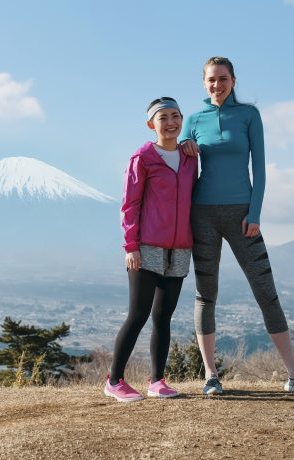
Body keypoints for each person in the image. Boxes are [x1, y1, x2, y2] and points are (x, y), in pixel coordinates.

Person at [179, 57, 294, 396]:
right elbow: (177, 154)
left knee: (265, 292)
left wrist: (254, 214)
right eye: (211, 79)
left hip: (243, 215)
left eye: (223, 78)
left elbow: (260, 169)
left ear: (233, 80)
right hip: (203, 215)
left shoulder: (249, 116)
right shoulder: (194, 119)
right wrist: (185, 146)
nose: (217, 84)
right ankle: (211, 376)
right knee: (205, 295)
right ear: (204, 83)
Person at [105, 97, 198, 402]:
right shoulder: (142, 157)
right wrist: (131, 246)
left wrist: (189, 146)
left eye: (175, 116)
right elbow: (129, 204)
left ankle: (157, 380)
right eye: (163, 118)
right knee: (138, 314)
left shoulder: (189, 158)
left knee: (163, 317)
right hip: (146, 247)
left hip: (180, 247)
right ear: (151, 124)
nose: (170, 122)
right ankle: (114, 380)